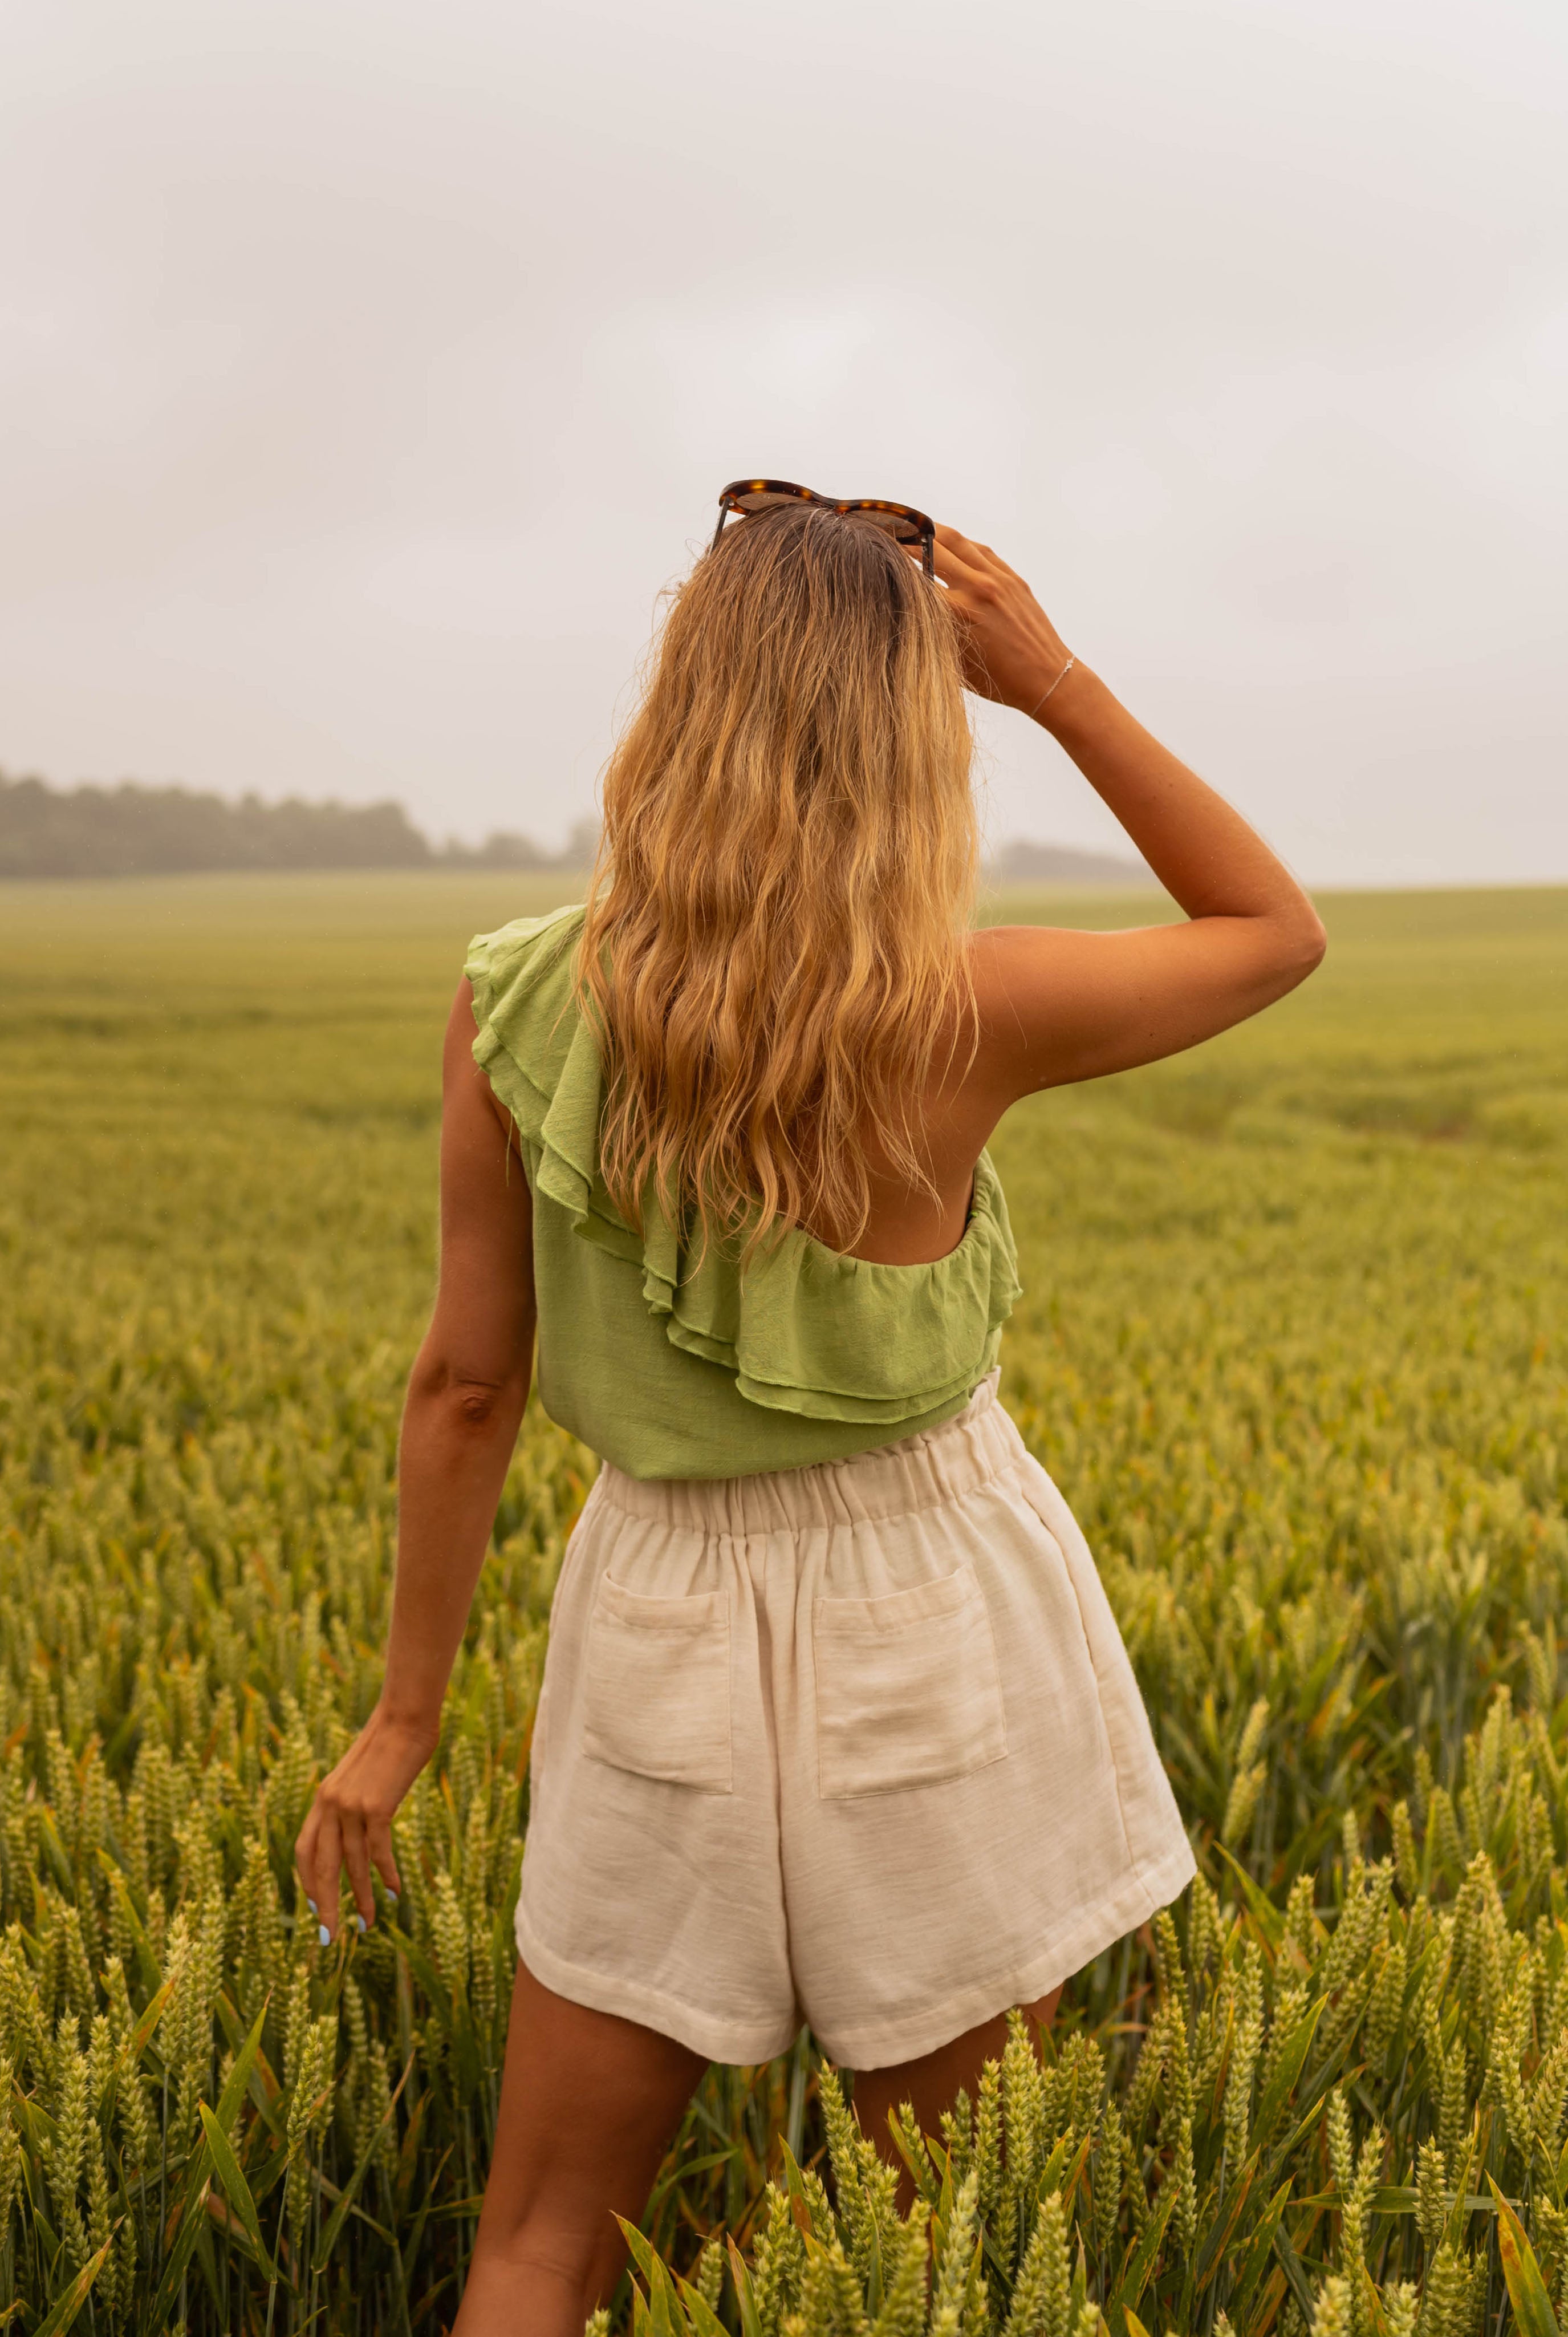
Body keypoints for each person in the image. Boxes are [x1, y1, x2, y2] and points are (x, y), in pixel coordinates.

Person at [295, 486, 1327, 2335]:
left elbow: (465, 1386)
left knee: (539, 2237)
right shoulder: (964, 1006)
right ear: (912, 740)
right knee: (945, 2248)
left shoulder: (511, 1004)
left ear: (683, 698)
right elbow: (1271, 927)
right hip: (930, 1608)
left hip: (658, 1622)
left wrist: (401, 1717)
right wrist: (1058, 681)